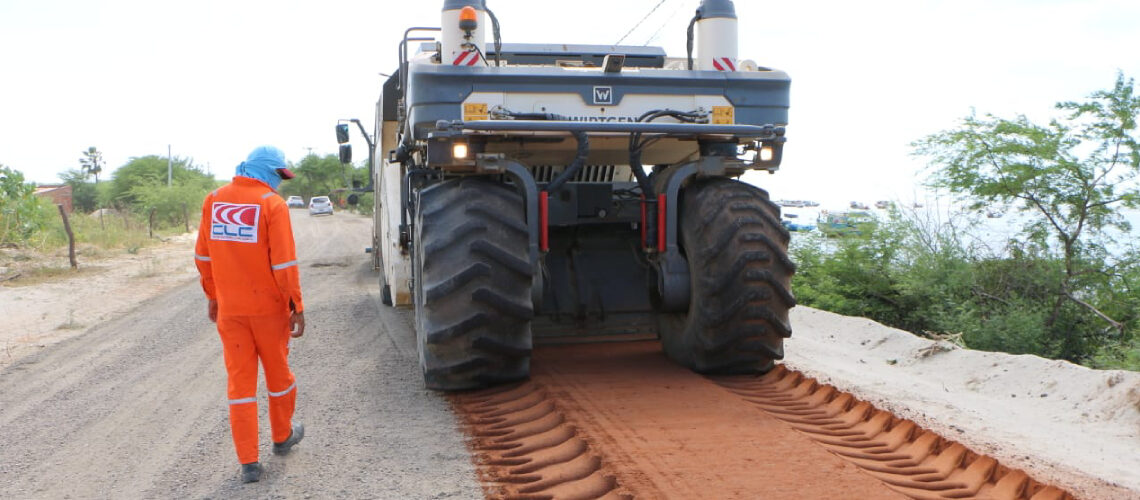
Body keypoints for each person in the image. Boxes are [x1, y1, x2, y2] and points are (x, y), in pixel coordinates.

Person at [194, 145, 306, 483]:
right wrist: (296, 305)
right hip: (269, 311)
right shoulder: (272, 205)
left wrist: (214, 296)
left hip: (231, 311)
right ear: (264, 171)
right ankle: (282, 436)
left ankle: (249, 463)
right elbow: (284, 264)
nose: (278, 183)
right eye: (277, 175)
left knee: (240, 385)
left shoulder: (214, 200)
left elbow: (203, 257)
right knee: (279, 378)